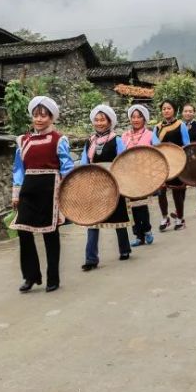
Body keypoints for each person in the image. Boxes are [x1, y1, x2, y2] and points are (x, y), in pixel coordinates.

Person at [11, 96, 73, 293]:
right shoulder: (23, 140)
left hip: (50, 188)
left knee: (50, 233)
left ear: (51, 117)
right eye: (36, 115)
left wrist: (66, 192)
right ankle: (31, 275)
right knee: (23, 231)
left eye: (43, 116)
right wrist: (16, 193)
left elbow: (67, 167)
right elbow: (18, 169)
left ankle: (52, 277)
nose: (38, 119)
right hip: (28, 189)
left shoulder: (59, 139)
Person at [79, 104, 131, 271]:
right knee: (93, 220)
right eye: (97, 119)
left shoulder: (116, 140)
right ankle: (91, 258)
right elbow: (84, 163)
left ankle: (124, 249)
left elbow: (123, 161)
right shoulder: (89, 141)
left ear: (109, 122)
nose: (99, 122)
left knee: (119, 216)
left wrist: (120, 180)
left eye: (103, 120)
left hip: (113, 181)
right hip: (95, 182)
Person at [122, 104, 160, 246]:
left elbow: (158, 154)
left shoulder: (150, 135)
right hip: (128, 175)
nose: (136, 119)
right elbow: (120, 155)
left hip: (143, 174)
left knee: (141, 204)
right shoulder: (125, 136)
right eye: (133, 117)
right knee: (131, 206)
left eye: (139, 117)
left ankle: (147, 230)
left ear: (144, 119)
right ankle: (138, 235)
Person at [154, 99, 191, 231]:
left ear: (174, 110)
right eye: (164, 109)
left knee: (177, 190)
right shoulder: (157, 127)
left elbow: (187, 144)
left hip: (177, 161)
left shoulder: (180, 125)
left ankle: (180, 219)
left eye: (168, 108)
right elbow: (155, 145)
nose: (166, 111)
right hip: (163, 162)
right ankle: (165, 217)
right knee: (161, 191)